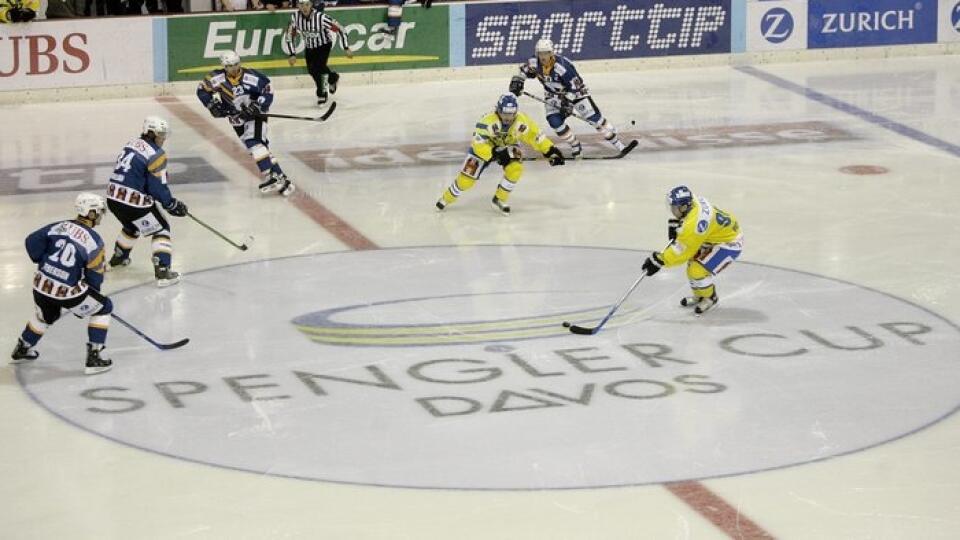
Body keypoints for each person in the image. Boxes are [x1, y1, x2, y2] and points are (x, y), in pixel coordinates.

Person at [10, 193, 114, 375]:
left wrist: (43, 261)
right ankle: (94, 357)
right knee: (104, 308)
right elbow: (95, 278)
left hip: (41, 284)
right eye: (98, 212)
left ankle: (23, 347)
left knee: (45, 316)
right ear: (90, 213)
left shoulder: (59, 226)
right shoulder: (94, 241)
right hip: (68, 292)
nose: (100, 216)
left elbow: (31, 241)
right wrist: (88, 296)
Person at [435, 94, 565, 215]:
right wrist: (493, 153)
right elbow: (478, 143)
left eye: (511, 115)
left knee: (516, 169)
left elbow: (536, 137)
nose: (508, 119)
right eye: (505, 114)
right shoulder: (487, 121)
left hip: (509, 146)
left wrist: (550, 151)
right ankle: (447, 198)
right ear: (498, 110)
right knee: (466, 181)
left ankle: (499, 198)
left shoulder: (522, 121)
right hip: (486, 148)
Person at [509, 39, 636, 159]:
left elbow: (576, 86)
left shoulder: (562, 67)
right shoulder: (534, 62)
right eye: (540, 53)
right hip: (553, 95)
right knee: (554, 121)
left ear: (552, 53)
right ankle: (575, 144)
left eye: (546, 53)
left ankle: (619, 145)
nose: (543, 57)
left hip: (576, 93)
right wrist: (518, 80)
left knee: (593, 119)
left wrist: (568, 103)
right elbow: (525, 71)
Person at [196, 50, 295, 196]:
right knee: (258, 149)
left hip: (256, 116)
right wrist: (212, 105)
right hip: (236, 119)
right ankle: (282, 180)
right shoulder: (216, 78)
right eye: (230, 66)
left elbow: (268, 88)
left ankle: (270, 176)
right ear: (224, 66)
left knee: (253, 142)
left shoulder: (251, 76)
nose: (234, 68)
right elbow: (202, 90)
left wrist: (257, 105)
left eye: (236, 64)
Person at [105, 116, 188, 288]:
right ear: (150, 133)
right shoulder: (156, 154)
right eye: (161, 134)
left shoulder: (131, 143)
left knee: (132, 226)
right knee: (161, 228)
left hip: (113, 198)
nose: (163, 138)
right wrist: (170, 204)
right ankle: (163, 272)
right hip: (133, 202)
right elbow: (156, 186)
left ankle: (118, 258)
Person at [641, 185, 743, 314]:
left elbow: (682, 252)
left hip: (729, 243)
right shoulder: (692, 201)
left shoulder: (694, 226)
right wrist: (681, 226)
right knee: (692, 266)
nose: (672, 211)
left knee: (697, 270)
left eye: (674, 208)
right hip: (714, 236)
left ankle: (710, 297)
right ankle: (700, 294)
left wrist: (660, 260)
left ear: (684, 207)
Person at [285, 0, 353, 106]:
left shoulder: (321, 17)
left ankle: (322, 93)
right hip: (309, 46)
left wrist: (346, 47)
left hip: (324, 45)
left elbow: (340, 29)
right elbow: (289, 35)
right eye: (301, 5)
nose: (304, 8)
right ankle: (333, 78)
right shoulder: (295, 18)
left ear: (311, 5)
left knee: (320, 68)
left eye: (307, 4)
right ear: (298, 5)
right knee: (312, 70)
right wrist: (292, 54)